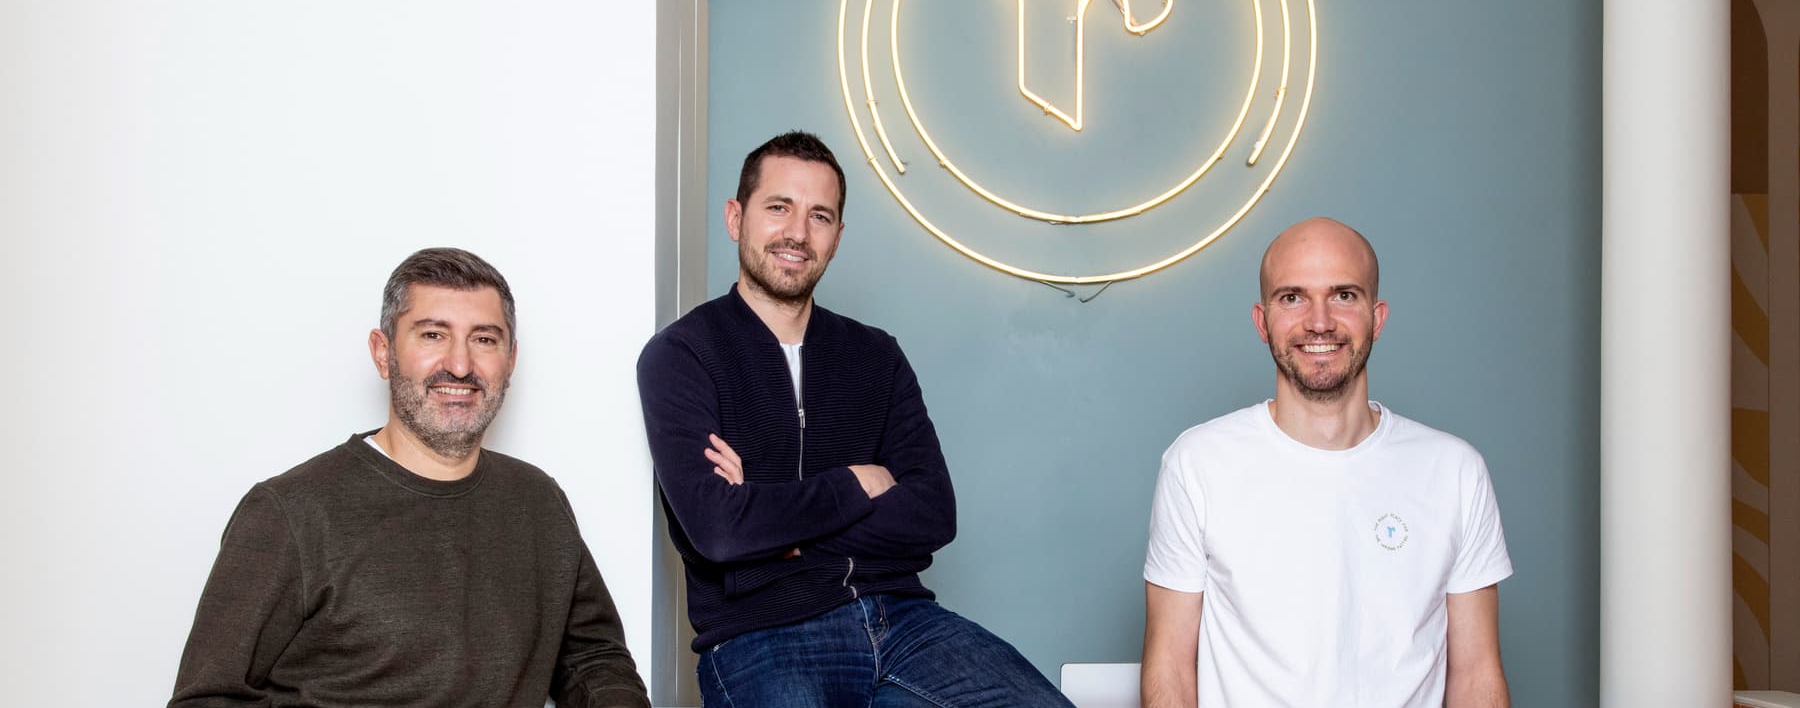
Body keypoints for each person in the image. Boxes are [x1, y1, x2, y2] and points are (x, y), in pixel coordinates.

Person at [638, 131, 1071, 707]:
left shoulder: (876, 356)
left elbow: (933, 514)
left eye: (819, 216)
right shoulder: (683, 355)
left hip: (904, 622)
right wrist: (855, 483)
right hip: (762, 635)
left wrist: (774, 530)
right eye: (778, 208)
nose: (798, 233)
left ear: (837, 238)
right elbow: (718, 531)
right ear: (735, 218)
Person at [170, 248, 649, 708]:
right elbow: (208, 699)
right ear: (383, 354)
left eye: (484, 339)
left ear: (511, 359)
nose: (460, 366)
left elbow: (593, 660)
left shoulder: (538, 501)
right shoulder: (290, 513)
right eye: (433, 335)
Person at [1140, 217, 1512, 707]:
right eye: (1293, 297)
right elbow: (1169, 668)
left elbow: (1477, 675)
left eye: (1344, 295)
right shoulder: (1197, 464)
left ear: (1377, 317)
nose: (1319, 322)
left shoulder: (1455, 472)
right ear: (1262, 322)